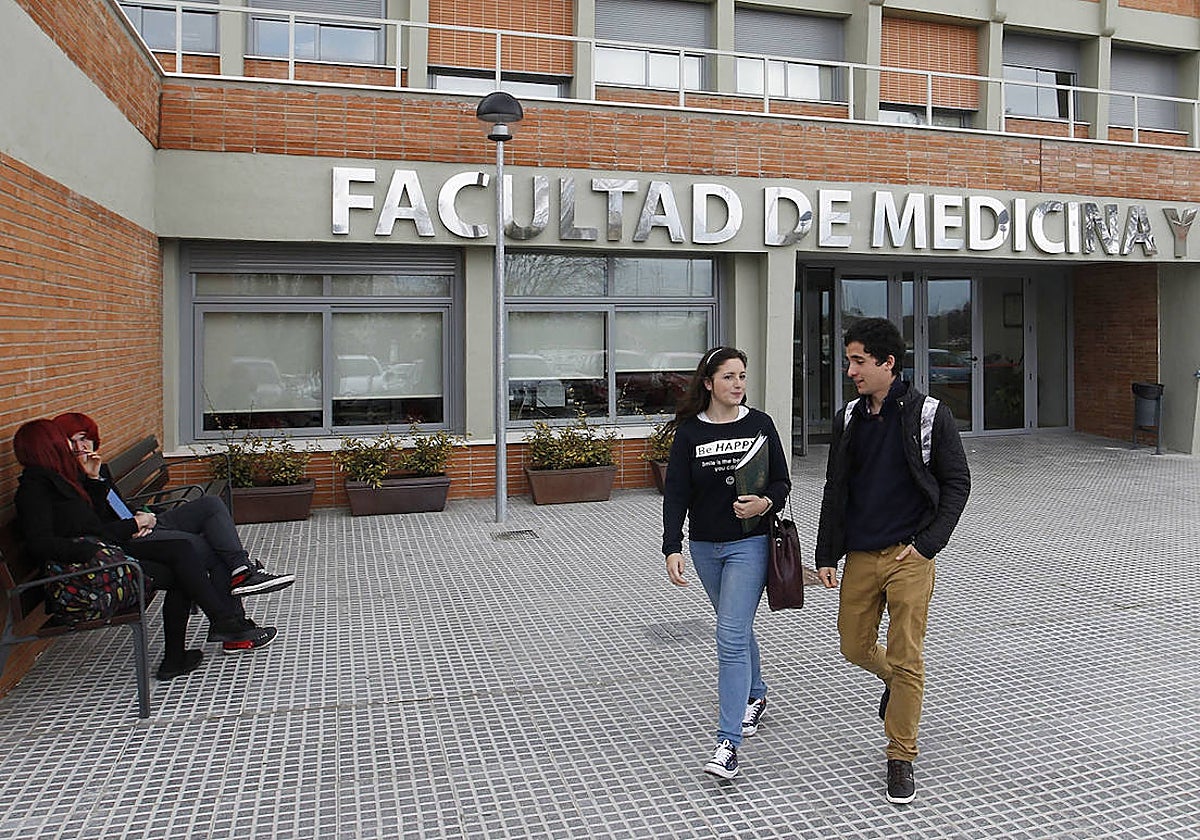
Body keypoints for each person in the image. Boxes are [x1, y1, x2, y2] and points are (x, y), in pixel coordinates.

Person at [815, 318, 971, 805]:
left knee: (907, 656)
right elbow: (835, 488)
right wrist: (826, 551)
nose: (850, 371)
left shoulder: (930, 414)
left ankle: (900, 756)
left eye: (859, 361)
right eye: (849, 361)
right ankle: (893, 682)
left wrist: (928, 545)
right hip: (861, 552)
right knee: (853, 648)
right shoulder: (847, 418)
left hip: (910, 555)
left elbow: (957, 484)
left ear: (887, 363)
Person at [12, 420, 277, 681]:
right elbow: (44, 543)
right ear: (49, 447)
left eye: (82, 439)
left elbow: (94, 520)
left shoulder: (61, 479)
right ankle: (221, 622)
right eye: (66, 440)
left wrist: (95, 480)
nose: (73, 446)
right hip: (87, 577)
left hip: (104, 556)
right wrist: (94, 546)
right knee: (190, 555)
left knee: (185, 558)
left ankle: (197, 641)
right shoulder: (35, 490)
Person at [662, 346, 791, 780]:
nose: (738, 384)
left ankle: (727, 742)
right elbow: (676, 494)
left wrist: (765, 502)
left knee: (729, 634)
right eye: (729, 377)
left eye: (742, 376)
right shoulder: (689, 434)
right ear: (708, 383)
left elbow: (782, 480)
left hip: (749, 544)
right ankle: (756, 695)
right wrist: (671, 546)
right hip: (704, 547)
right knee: (733, 626)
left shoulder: (760, 424)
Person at [51, 412, 294, 598]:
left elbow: (116, 506)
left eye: (85, 440)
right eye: (73, 442)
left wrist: (141, 514)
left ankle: (241, 569)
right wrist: (130, 521)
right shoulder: (70, 483)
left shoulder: (98, 469)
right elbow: (96, 523)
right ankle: (234, 627)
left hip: (143, 521)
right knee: (210, 548)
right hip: (127, 538)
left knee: (210, 504)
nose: (82, 447)